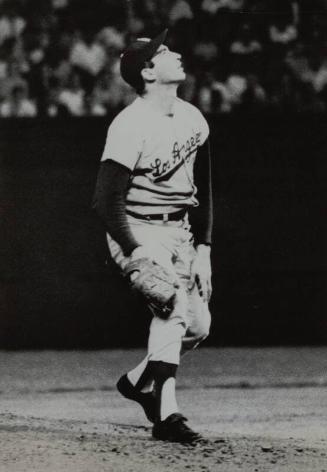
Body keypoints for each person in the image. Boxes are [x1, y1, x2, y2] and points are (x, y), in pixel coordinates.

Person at [93, 29, 213, 444]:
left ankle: (136, 382)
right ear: (147, 72)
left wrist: (204, 249)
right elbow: (105, 201)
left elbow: (204, 190)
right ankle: (167, 416)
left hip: (178, 229)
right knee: (172, 305)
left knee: (197, 328)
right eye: (163, 52)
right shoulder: (130, 125)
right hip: (136, 226)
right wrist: (136, 250)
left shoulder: (193, 116)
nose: (175, 53)